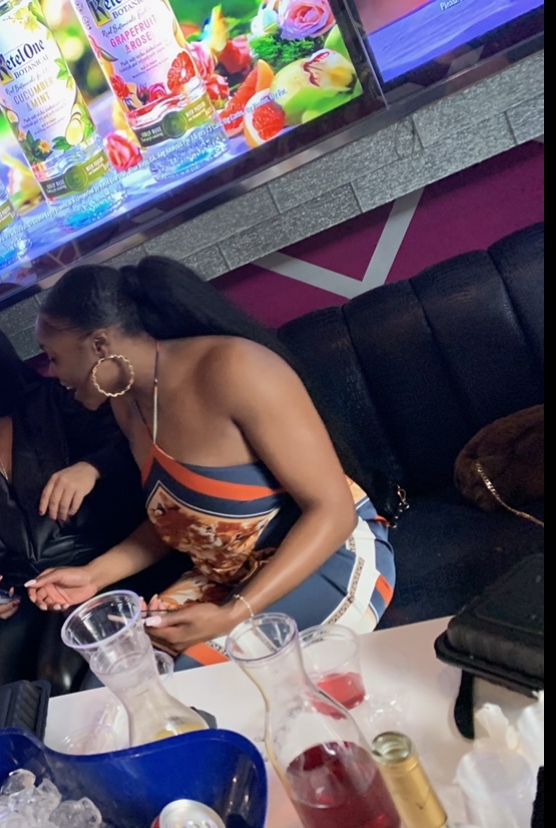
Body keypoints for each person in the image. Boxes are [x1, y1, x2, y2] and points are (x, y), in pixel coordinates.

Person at [27, 257, 396, 670]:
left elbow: (333, 512)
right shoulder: (127, 404)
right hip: (229, 579)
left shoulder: (235, 368)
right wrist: (93, 576)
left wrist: (232, 613)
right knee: (121, 676)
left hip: (329, 561)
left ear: (100, 345)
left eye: (53, 357)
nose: (52, 373)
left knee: (191, 680)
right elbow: (181, 520)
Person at [0, 314, 145, 696]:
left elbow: (132, 443)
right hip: (14, 587)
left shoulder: (55, 402)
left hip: (89, 564)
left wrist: (92, 468)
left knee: (59, 675)